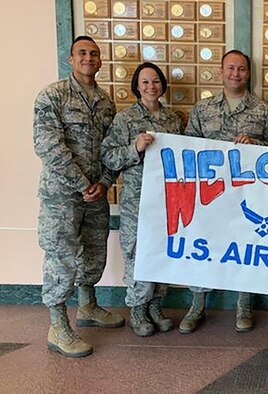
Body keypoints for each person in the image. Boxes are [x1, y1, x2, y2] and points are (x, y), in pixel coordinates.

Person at [33, 36, 124, 358]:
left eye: (94, 54)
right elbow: (48, 145)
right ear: (71, 59)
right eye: (82, 53)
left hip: (95, 193)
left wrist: (103, 182)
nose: (89, 58)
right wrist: (82, 182)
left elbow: (111, 149)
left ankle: (88, 306)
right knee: (61, 257)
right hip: (62, 195)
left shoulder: (104, 101)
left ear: (100, 61)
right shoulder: (52, 95)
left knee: (93, 252)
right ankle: (58, 326)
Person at [180, 49, 268, 334]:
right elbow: (187, 149)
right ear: (221, 71)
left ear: (249, 74)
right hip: (210, 196)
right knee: (203, 246)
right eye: (231, 68)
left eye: (241, 69)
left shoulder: (263, 111)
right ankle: (197, 304)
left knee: (246, 248)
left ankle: (244, 304)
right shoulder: (203, 109)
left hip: (248, 196)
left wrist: (256, 144)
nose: (236, 74)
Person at [101, 62, 184, 337]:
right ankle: (137, 307)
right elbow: (108, 156)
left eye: (156, 81)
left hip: (166, 200)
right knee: (137, 253)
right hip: (137, 201)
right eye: (146, 82)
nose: (151, 87)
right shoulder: (125, 119)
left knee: (163, 251)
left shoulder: (173, 120)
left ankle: (156, 305)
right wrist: (134, 148)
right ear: (137, 86)